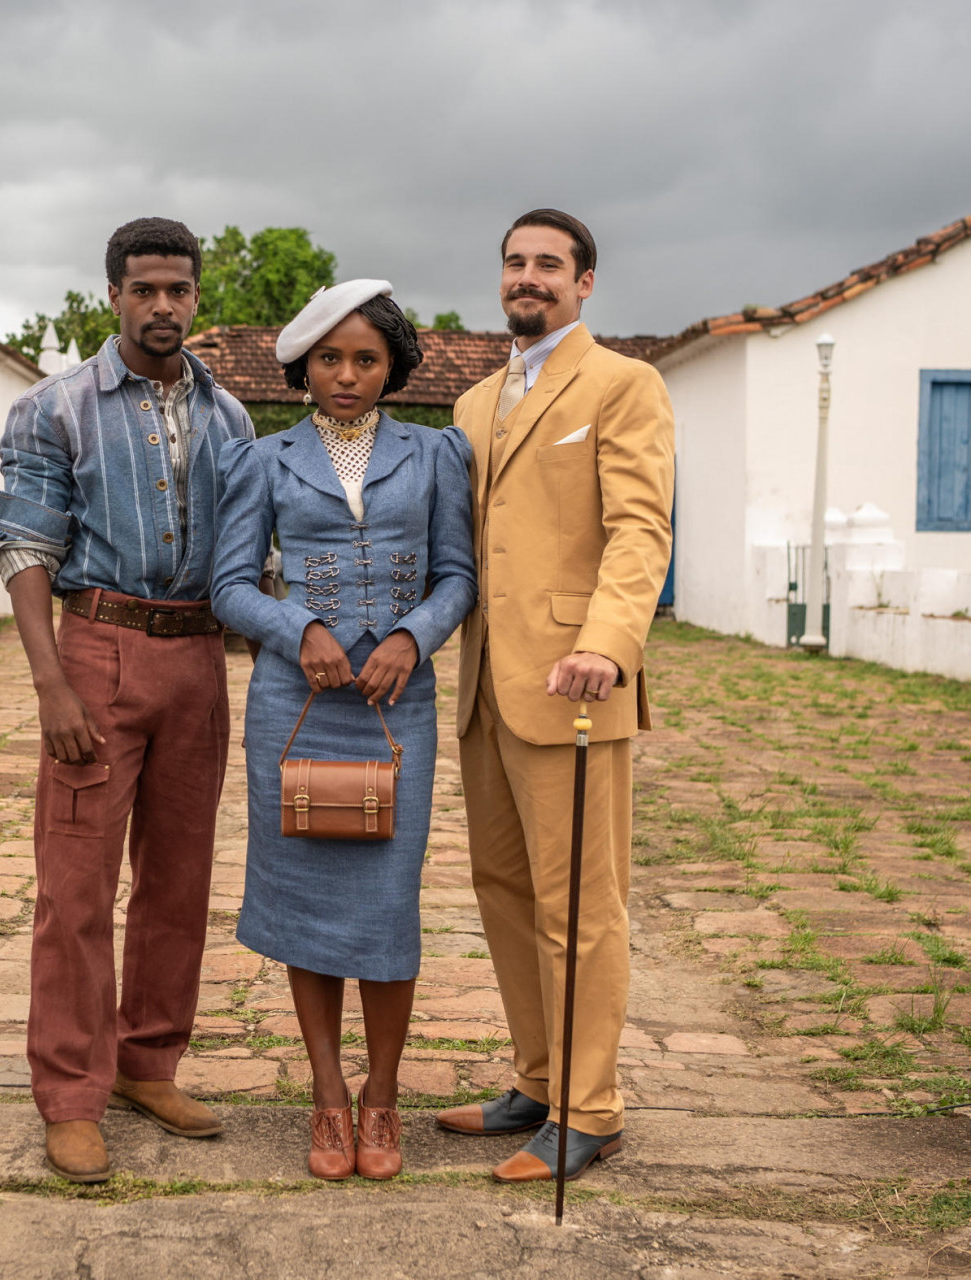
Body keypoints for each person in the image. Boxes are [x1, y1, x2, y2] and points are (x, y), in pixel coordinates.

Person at [0, 217, 256, 1184]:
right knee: (74, 889)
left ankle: (149, 1063)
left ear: (195, 297)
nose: (162, 307)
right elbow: (23, 545)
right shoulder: (55, 410)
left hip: (197, 661)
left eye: (177, 290)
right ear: (113, 295)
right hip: (96, 654)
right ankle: (69, 1094)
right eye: (143, 290)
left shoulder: (229, 419)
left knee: (179, 883)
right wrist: (51, 682)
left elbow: (249, 552)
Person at [210, 280, 476, 1181]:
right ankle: (327, 1098)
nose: (348, 375)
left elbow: (458, 577)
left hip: (398, 710)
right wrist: (299, 629)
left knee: (386, 906)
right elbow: (232, 587)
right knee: (306, 905)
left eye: (366, 358)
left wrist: (411, 635)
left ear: (393, 365)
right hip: (297, 710)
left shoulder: (438, 455)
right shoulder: (263, 458)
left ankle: (384, 1096)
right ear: (302, 367)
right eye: (330, 358)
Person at [432, 211, 674, 1182]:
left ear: (584, 283)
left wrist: (608, 643)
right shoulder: (474, 403)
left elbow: (640, 527)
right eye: (514, 262)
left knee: (582, 902)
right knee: (503, 890)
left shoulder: (624, 385)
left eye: (548, 264)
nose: (527, 277)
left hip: (577, 680)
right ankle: (537, 1078)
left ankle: (593, 1107)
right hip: (490, 683)